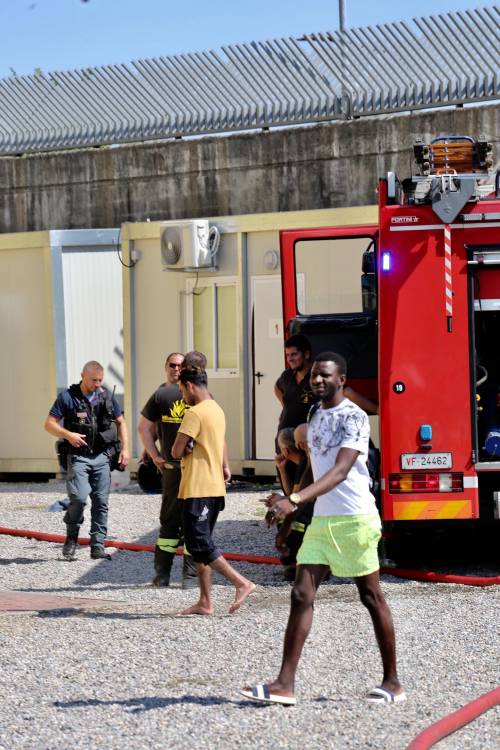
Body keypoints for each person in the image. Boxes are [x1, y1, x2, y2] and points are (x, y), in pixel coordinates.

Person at [241, 352, 405, 706]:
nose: (317, 380)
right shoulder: (315, 415)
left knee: (371, 597)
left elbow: (341, 470)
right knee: (301, 594)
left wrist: (297, 499)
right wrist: (287, 499)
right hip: (323, 522)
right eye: (315, 375)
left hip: (355, 519)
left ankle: (393, 682)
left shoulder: (355, 417)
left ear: (341, 379)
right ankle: (285, 684)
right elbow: (316, 468)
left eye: (325, 376)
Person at [171, 367, 256, 615]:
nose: (182, 396)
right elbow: (217, 443)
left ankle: (242, 583)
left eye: (181, 390)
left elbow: (175, 451)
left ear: (189, 385)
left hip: (199, 488)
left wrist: (184, 446)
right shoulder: (217, 409)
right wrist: (224, 465)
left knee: (200, 543)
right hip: (214, 487)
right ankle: (205, 602)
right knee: (198, 546)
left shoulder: (194, 413)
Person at [44, 361, 129, 561]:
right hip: (78, 455)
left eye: (100, 380)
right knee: (79, 498)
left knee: (101, 501)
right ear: (82, 375)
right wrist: (68, 435)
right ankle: (72, 537)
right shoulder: (67, 397)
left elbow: (121, 422)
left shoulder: (106, 396)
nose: (97, 384)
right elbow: (48, 424)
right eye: (93, 380)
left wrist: (125, 449)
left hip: (102, 456)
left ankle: (97, 545)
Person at [138, 351, 203, 588]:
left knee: (191, 521)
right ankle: (162, 575)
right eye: (172, 365)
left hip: (192, 468)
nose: (176, 369)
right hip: (174, 468)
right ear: (166, 367)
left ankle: (190, 577)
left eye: (180, 366)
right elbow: (145, 428)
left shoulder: (193, 394)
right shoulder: (163, 394)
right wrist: (154, 454)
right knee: (172, 520)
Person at [274, 427, 313, 582]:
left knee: (282, 515)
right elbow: (292, 493)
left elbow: (295, 499)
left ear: (286, 450)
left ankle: (294, 562)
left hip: (313, 513)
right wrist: (282, 469)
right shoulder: (303, 463)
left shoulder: (305, 464)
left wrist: (279, 501)